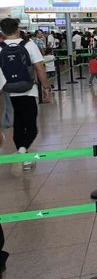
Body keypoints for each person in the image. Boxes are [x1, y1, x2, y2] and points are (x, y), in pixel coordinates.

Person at [0, 18, 51, 172]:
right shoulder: (28, 45)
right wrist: (46, 87)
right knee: (31, 127)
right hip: (28, 91)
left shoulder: (1, 48)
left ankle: (23, 156)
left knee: (18, 127)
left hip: (8, 92)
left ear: (2, 32)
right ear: (18, 29)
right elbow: (40, 68)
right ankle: (23, 152)